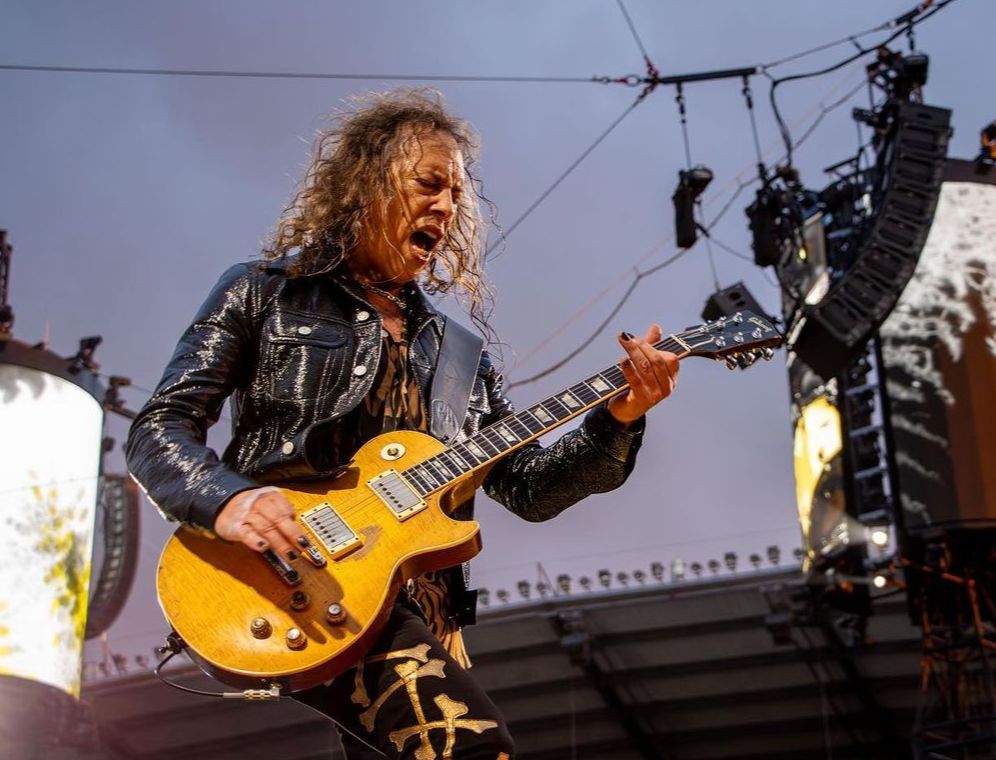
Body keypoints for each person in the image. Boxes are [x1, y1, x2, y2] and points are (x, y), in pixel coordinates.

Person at [125, 89, 679, 760]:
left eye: (456, 195)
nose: (446, 207)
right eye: (429, 184)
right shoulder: (267, 290)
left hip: (424, 614)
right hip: (302, 577)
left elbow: (529, 489)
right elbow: (159, 427)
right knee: (475, 752)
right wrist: (228, 500)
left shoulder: (459, 356)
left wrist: (619, 417)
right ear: (366, 183)